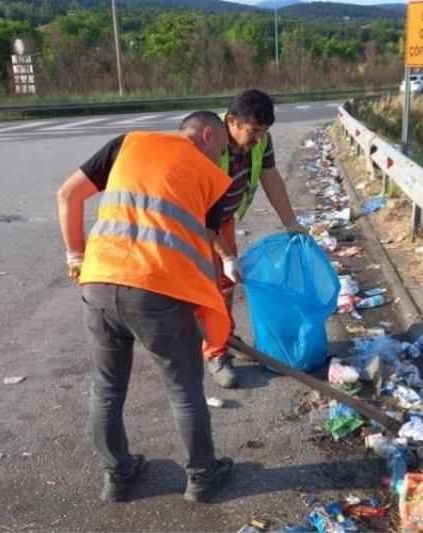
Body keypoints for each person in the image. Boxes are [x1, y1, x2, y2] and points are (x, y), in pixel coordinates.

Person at [56, 111, 235, 503]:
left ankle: (118, 476)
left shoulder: (127, 144)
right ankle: (203, 477)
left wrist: (75, 256)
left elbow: (67, 194)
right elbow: (202, 254)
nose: (220, 161)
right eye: (221, 150)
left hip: (98, 281)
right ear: (206, 135)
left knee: (106, 388)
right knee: (184, 389)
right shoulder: (213, 181)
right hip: (157, 292)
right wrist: (207, 312)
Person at [205, 89, 307, 389]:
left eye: (263, 132)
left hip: (223, 221)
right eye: (253, 132)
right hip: (196, 223)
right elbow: (199, 211)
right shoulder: (211, 142)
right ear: (232, 122)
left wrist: (292, 223)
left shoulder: (261, 141)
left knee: (226, 285)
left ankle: (222, 334)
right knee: (208, 288)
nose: (258, 139)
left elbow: (271, 177)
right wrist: (224, 255)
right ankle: (215, 352)